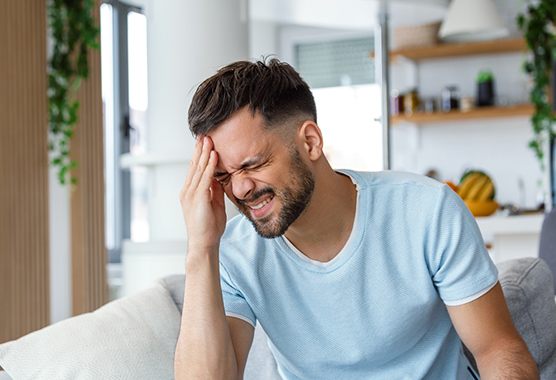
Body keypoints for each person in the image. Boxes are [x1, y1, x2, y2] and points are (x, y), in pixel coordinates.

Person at [174, 58, 538, 380]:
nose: (239, 189)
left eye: (253, 164)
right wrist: (200, 248)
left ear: (311, 142)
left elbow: (497, 350)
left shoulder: (428, 211)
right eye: (222, 176)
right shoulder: (233, 253)